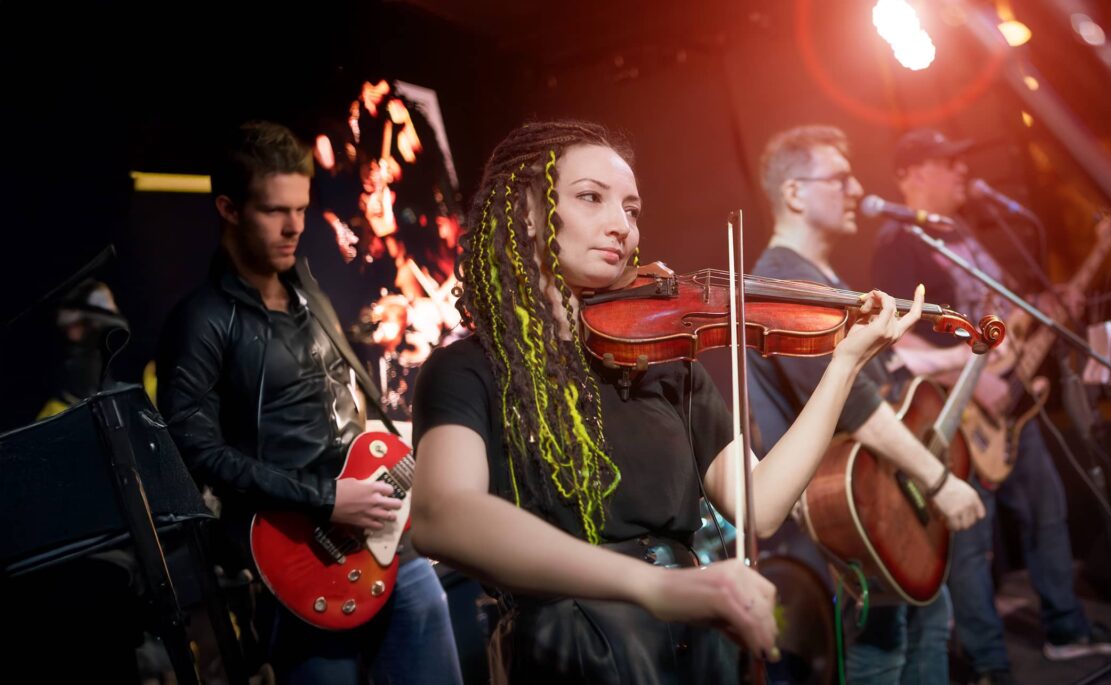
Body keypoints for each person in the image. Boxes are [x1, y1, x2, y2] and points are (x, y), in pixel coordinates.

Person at [405, 120, 923, 684]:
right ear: (526, 212)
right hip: (576, 653)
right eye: (590, 198)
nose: (621, 226)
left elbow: (761, 506)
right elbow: (441, 516)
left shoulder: (664, 361)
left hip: (695, 646)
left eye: (631, 209)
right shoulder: (465, 372)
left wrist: (844, 364)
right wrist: (658, 586)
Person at [156, 121, 462, 683]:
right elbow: (193, 450)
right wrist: (326, 499)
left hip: (384, 534)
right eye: (276, 211)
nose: (295, 226)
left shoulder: (308, 290)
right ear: (228, 209)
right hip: (301, 556)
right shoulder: (201, 321)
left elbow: (346, 412)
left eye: (300, 208)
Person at [870, 129, 1111, 683]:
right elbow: (898, 336)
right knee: (970, 542)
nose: (964, 174)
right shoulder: (899, 242)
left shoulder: (962, 233)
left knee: (1046, 507)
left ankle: (1066, 627)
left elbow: (1001, 304)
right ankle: (990, 663)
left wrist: (1047, 298)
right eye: (950, 164)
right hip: (959, 408)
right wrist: (970, 375)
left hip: (1011, 397)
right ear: (913, 173)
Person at [742, 124, 986, 682]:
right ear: (795, 194)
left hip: (878, 502)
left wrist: (950, 362)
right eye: (839, 178)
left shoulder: (819, 277)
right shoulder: (785, 283)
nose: (856, 190)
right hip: (846, 512)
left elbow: (873, 382)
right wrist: (940, 480)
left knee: (922, 630)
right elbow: (856, 405)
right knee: (884, 653)